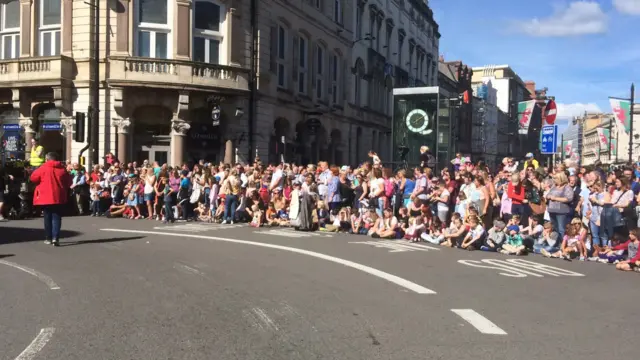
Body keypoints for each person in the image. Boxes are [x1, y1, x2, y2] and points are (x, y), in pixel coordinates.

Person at [30, 152, 72, 246]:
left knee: (47, 217)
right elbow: (68, 182)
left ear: (47, 159)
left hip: (45, 196)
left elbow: (33, 178)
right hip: (59, 196)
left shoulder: (42, 168)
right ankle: (55, 238)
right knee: (56, 217)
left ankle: (48, 237)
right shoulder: (62, 169)